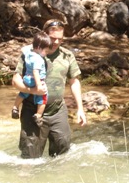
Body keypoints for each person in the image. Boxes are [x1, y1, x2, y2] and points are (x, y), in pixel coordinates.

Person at [12, 19, 87, 159]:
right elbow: (15, 81)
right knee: (30, 159)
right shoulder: (29, 54)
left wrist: (80, 109)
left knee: (62, 155)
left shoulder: (67, 55)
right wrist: (34, 91)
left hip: (58, 111)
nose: (56, 42)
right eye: (53, 38)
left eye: (60, 39)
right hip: (32, 111)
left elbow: (74, 82)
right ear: (44, 35)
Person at [11, 31, 52, 127]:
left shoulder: (29, 52)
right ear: (38, 48)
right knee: (43, 97)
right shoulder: (38, 59)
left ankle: (15, 107)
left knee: (23, 93)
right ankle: (38, 115)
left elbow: (23, 48)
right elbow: (36, 72)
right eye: (45, 51)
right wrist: (38, 87)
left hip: (27, 79)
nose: (46, 54)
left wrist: (35, 44)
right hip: (35, 80)